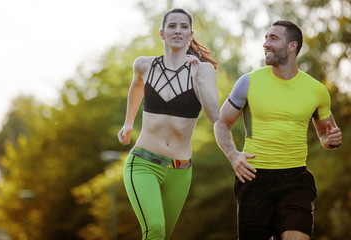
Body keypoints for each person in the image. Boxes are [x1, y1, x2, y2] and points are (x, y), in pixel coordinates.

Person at [214, 20, 342, 240]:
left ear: (292, 46)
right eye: (265, 38)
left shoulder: (317, 90)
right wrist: (234, 156)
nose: (266, 43)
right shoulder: (248, 82)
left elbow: (325, 134)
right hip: (254, 178)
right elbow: (221, 123)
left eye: (273, 38)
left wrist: (331, 139)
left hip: (295, 180)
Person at [117, 8, 219, 240]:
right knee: (155, 230)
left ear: (191, 34)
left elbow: (215, 116)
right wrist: (128, 123)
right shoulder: (145, 65)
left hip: (180, 171)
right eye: (172, 26)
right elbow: (136, 86)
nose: (178, 30)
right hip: (143, 163)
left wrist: (198, 80)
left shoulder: (204, 71)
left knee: (163, 236)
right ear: (162, 34)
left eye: (184, 26)